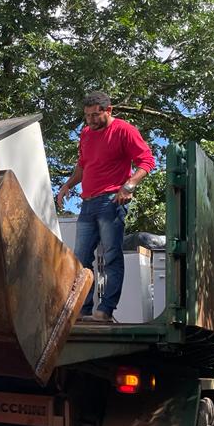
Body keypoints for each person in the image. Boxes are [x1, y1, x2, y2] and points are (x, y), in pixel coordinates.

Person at [56, 91, 156, 322]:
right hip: (88, 203)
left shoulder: (124, 130)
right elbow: (83, 165)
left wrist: (129, 185)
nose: (90, 120)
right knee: (80, 258)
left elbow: (147, 161)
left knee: (111, 256)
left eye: (95, 115)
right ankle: (83, 309)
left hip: (111, 201)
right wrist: (67, 185)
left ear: (108, 110)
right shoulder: (86, 133)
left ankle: (106, 309)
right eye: (87, 116)